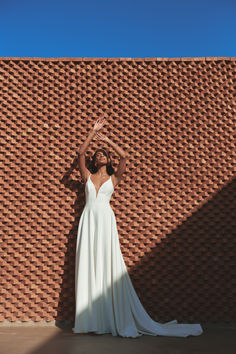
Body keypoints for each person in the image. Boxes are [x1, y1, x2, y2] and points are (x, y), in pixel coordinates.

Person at [72, 117, 203, 338]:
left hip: (105, 221)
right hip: (88, 220)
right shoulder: (87, 176)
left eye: (102, 154)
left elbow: (124, 156)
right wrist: (91, 133)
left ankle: (111, 317)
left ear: (108, 159)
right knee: (88, 264)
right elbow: (80, 153)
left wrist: (107, 139)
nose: (99, 156)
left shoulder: (114, 178)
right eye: (97, 155)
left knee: (107, 264)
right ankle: (92, 320)